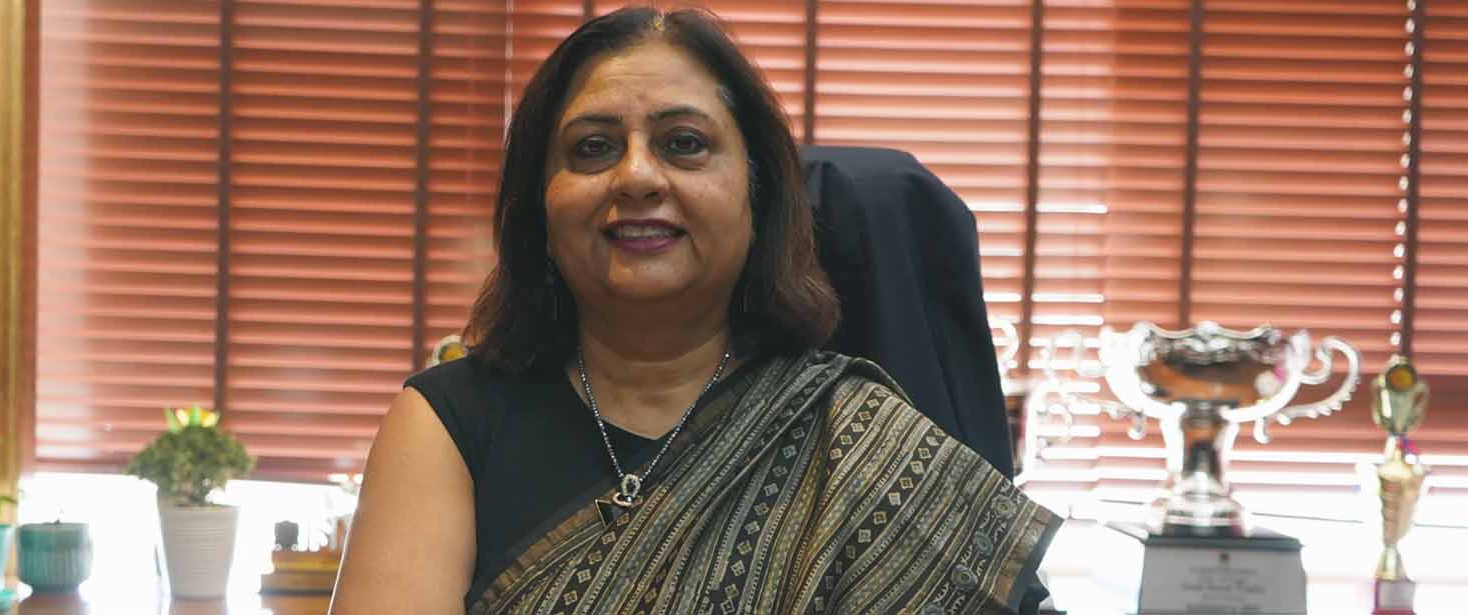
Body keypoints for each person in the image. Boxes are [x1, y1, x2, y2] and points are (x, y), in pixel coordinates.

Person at [329, 7, 1059, 614]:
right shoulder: (448, 426)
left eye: (684, 144)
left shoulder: (857, 438)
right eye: (592, 148)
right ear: (540, 212)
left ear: (758, 196)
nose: (637, 175)